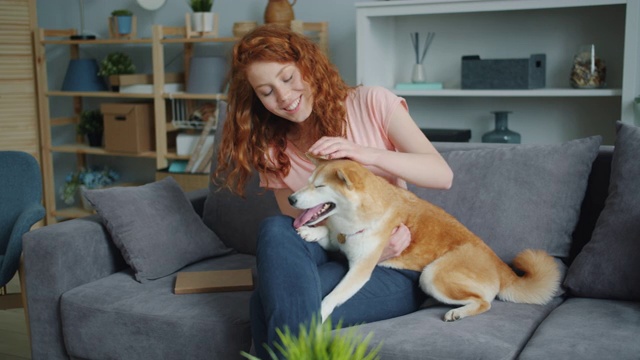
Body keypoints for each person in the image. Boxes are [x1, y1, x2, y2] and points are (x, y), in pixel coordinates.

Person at [215, 24, 453, 358]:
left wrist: (365, 154)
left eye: (287, 78)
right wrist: (362, 248)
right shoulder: (272, 148)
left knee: (264, 302)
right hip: (339, 252)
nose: (283, 96)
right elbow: (302, 228)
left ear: (308, 66)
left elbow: (442, 175)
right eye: (266, 91)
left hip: (395, 267)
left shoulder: (372, 102)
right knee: (275, 227)